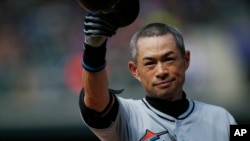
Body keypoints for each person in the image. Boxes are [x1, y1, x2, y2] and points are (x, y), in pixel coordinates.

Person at [79, 13, 237, 141]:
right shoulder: (127, 116)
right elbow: (95, 102)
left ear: (186, 60)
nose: (161, 71)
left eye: (169, 59)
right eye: (150, 63)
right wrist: (94, 49)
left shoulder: (222, 118)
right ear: (135, 70)